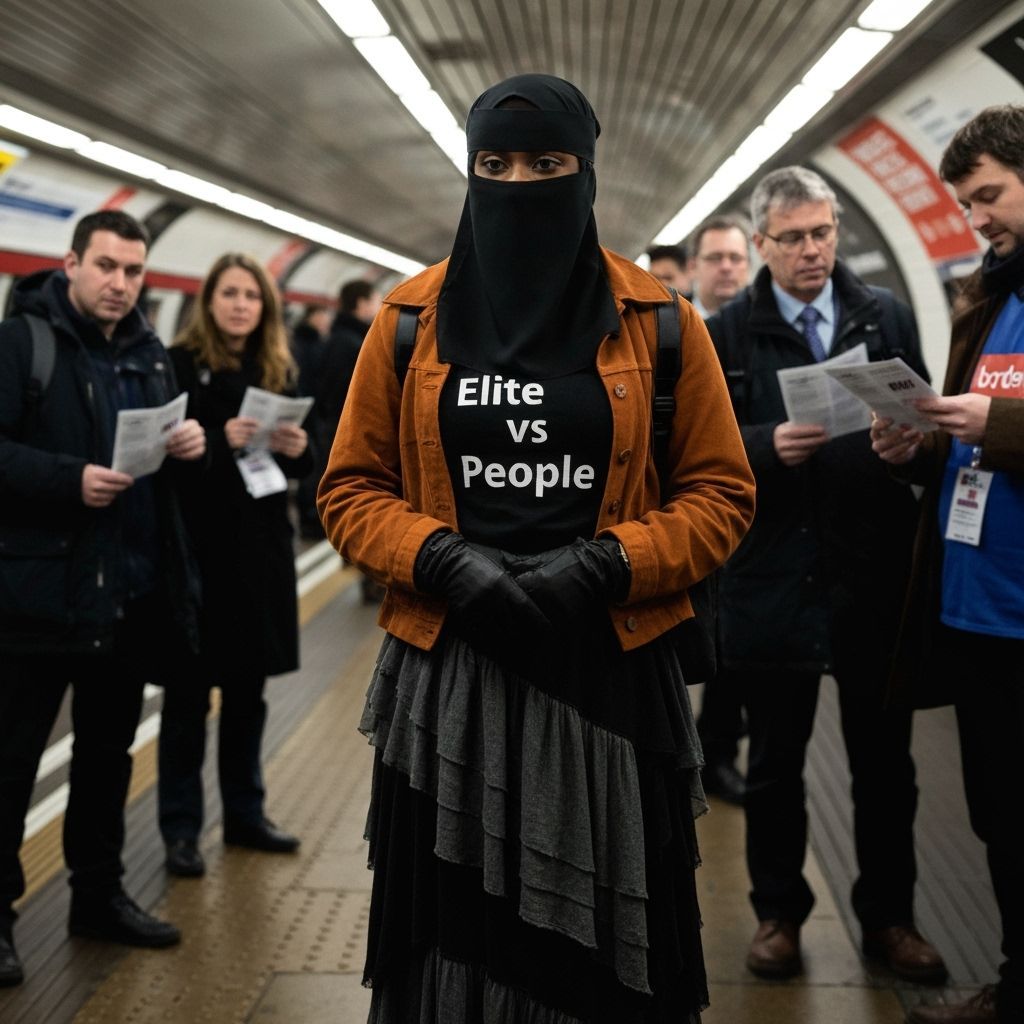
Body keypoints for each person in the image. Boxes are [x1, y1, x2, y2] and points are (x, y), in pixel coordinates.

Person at [318, 74, 755, 1024]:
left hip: (607, 672)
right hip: (454, 680)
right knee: (455, 928)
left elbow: (722, 493)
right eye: (496, 164)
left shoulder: (662, 324)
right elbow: (349, 488)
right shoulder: (405, 322)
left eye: (548, 163)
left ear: (586, 173)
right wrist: (438, 558)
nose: (520, 182)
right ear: (470, 172)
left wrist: (610, 563)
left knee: (595, 946)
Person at [707, 165, 946, 984]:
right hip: (772, 577)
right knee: (775, 762)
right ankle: (778, 913)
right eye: (794, 238)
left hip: (871, 572)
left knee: (886, 764)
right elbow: (689, 457)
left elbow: (928, 425)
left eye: (824, 233)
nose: (813, 251)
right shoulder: (725, 333)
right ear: (761, 243)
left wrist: (912, 443)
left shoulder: (884, 315)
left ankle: (890, 918)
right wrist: (761, 444)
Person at [0, 210, 206, 986]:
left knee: (107, 759)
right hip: (36, 596)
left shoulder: (153, 357)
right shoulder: (24, 344)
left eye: (135, 271)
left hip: (127, 597)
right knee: (10, 764)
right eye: (108, 267)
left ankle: (98, 895)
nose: (122, 283)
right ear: (71, 263)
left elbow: (167, 467)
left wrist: (191, 447)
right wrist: (68, 480)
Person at [872, 105, 1024, 1024]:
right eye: (968, 207)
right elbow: (966, 442)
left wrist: (996, 425)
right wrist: (920, 445)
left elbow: (998, 426)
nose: (980, 222)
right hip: (978, 608)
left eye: (992, 197)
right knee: (1000, 819)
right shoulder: (990, 294)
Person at [157, 253, 310, 880]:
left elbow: (303, 464)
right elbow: (162, 458)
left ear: (266, 307)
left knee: (249, 698)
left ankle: (246, 815)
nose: (241, 304)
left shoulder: (279, 369)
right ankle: (181, 829)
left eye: (252, 295)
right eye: (229, 293)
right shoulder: (177, 366)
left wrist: (301, 449)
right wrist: (222, 440)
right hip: (199, 557)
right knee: (187, 701)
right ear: (208, 300)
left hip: (260, 558)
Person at [689, 215, 753, 806]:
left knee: (730, 649)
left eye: (736, 257)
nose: (728, 268)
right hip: (679, 519)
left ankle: (719, 751)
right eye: (716, 258)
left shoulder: (752, 332)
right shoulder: (670, 331)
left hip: (742, 521)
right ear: (696, 268)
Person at [312, 280, 385, 591]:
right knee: (366, 501)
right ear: (360, 304)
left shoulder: (333, 339)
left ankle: (354, 562)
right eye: (374, 300)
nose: (378, 306)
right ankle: (369, 578)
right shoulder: (356, 344)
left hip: (330, 428)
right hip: (350, 432)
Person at [291, 303, 331, 539]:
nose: (326, 321)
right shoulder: (310, 345)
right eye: (323, 315)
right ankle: (310, 516)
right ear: (312, 316)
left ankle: (310, 514)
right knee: (312, 466)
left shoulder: (306, 341)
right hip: (309, 410)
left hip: (310, 409)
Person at [688, 215, 752, 318]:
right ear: (693, 267)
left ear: (748, 265)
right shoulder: (673, 324)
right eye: (715, 258)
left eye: (735, 258)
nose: (726, 267)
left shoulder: (768, 323)